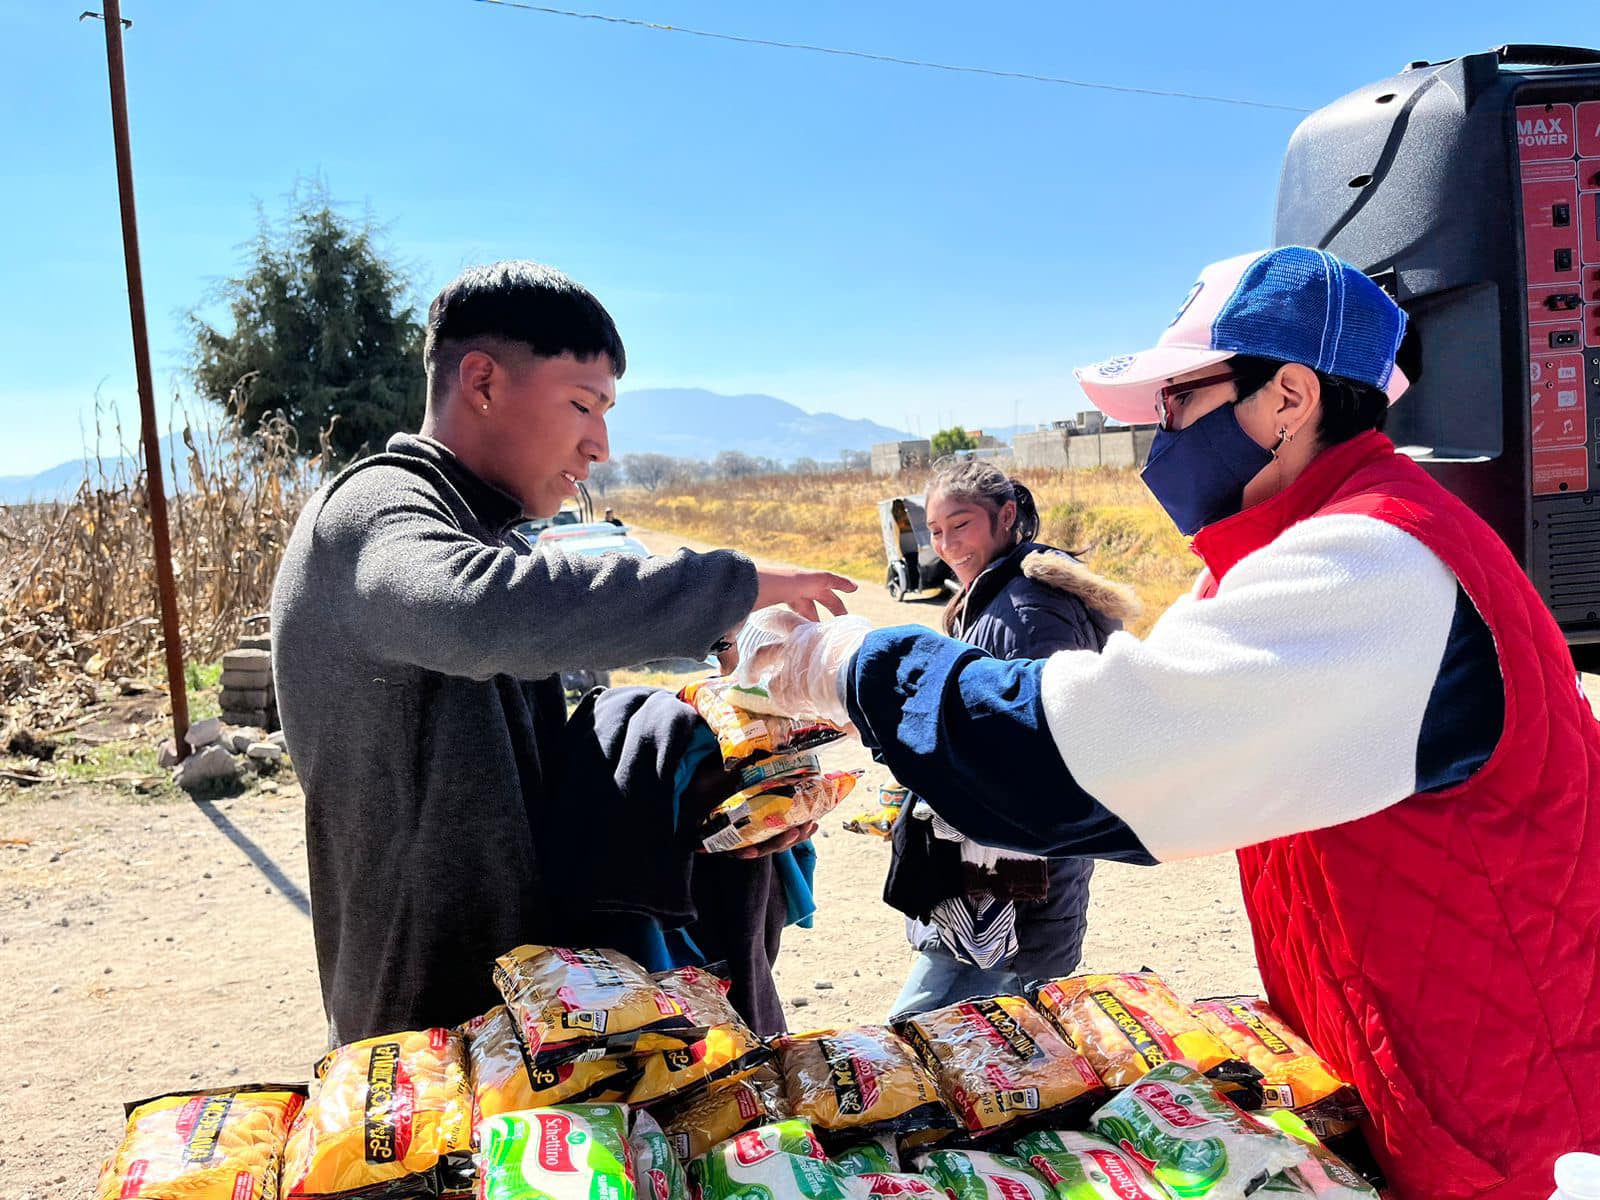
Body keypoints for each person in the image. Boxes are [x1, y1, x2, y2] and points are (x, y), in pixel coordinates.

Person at [743, 247, 1600, 1199]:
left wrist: (847, 662)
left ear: (1287, 397)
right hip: (1419, 1054)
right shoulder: (1305, 546)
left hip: (1485, 1109)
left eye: (1179, 399)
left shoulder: (1374, 559)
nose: (1163, 434)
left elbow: (1088, 757)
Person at [271, 260, 853, 1044]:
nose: (600, 444)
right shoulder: (378, 508)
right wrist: (734, 587)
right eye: (582, 405)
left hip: (525, 991)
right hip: (430, 1009)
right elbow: (477, 612)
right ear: (481, 381)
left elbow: (536, 756)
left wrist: (711, 792)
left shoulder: (476, 524)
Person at [885, 457, 1138, 1018]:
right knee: (990, 1044)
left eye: (962, 525)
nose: (948, 544)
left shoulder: (1026, 611)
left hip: (1007, 880)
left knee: (938, 1035)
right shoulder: (1002, 593)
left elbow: (1042, 742)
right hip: (1002, 870)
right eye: (936, 531)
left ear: (1004, 516)